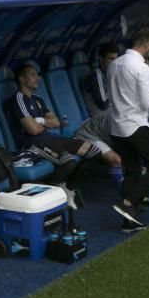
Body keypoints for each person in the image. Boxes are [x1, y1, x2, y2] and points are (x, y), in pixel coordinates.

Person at [7, 64, 102, 208]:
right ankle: (56, 192)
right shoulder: (18, 99)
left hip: (49, 138)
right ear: (22, 79)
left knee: (94, 152)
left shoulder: (38, 99)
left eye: (36, 75)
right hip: (33, 144)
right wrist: (43, 123)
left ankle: (69, 188)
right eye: (32, 75)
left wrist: (40, 121)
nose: (37, 78)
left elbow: (57, 122)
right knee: (69, 162)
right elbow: (32, 130)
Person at [109, 28, 149, 231]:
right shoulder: (142, 67)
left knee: (132, 170)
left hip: (116, 127)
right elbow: (148, 104)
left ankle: (128, 221)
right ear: (147, 45)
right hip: (135, 126)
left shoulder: (114, 64)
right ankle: (128, 204)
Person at [83, 42, 120, 117]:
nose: (115, 62)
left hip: (112, 115)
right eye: (111, 59)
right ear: (101, 59)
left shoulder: (111, 74)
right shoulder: (96, 75)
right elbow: (103, 105)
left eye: (116, 59)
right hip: (100, 119)